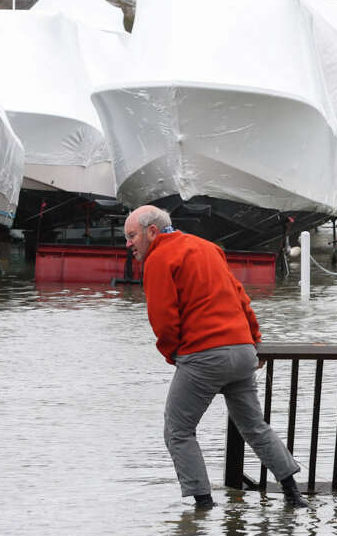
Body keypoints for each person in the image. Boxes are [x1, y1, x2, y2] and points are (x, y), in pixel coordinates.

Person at [123, 204, 309, 509]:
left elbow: (164, 319)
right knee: (254, 426)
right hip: (242, 350)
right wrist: (254, 342)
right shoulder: (207, 248)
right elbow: (240, 297)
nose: (128, 243)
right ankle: (292, 492)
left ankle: (203, 505)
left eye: (131, 236)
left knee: (178, 430)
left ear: (152, 232)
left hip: (204, 355)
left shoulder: (159, 258)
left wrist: (175, 355)